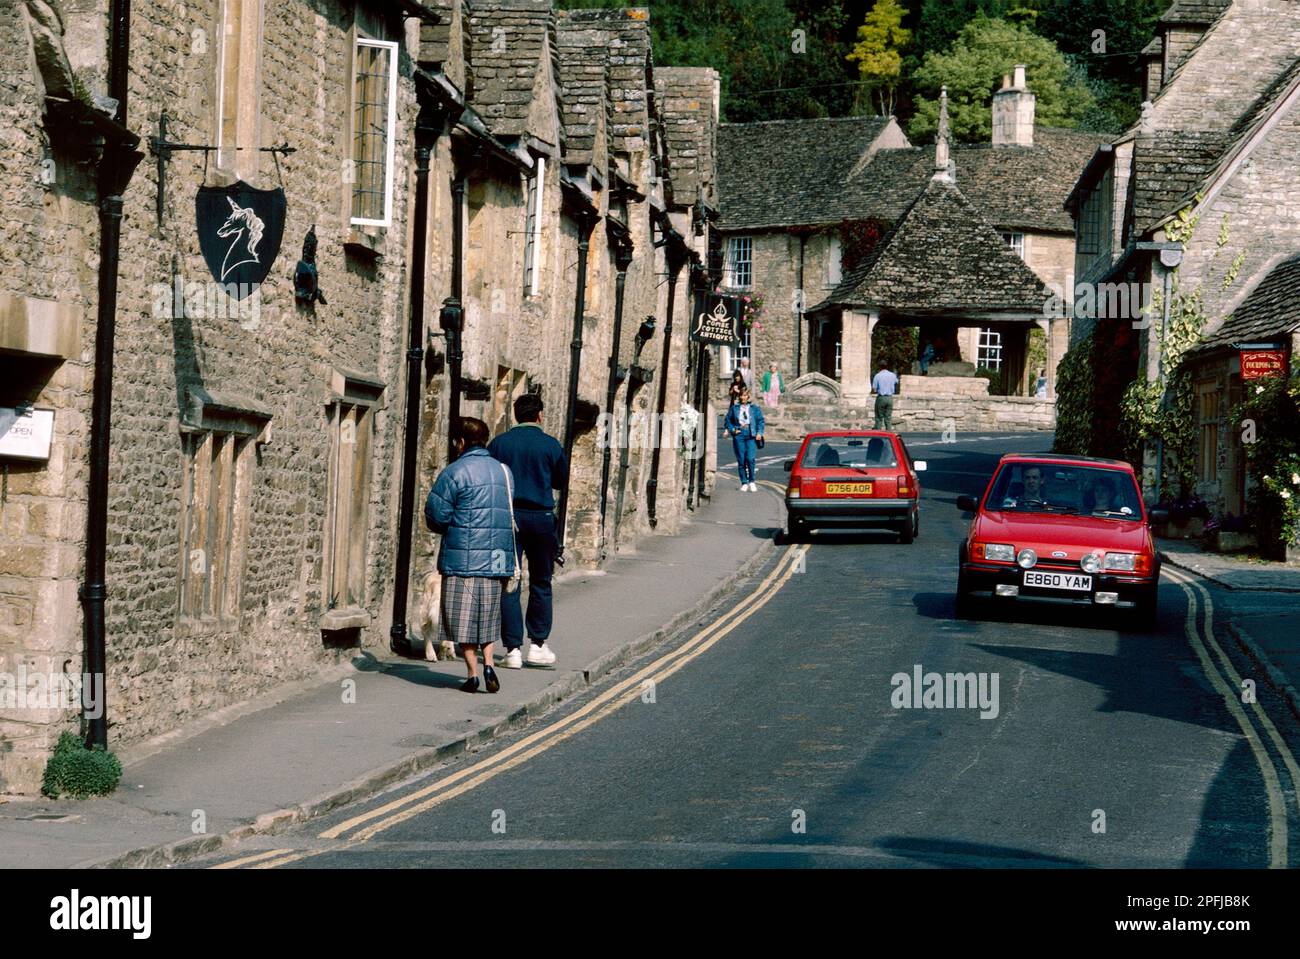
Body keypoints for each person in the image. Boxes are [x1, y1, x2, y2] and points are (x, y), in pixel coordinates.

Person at [425, 417, 515, 694]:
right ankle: (490, 664)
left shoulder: (455, 472)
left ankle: (473, 674)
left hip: (461, 559)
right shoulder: (504, 471)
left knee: (462, 619)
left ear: (460, 442)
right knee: (487, 617)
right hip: (497, 558)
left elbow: (436, 515)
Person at [487, 394, 568, 670]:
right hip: (542, 518)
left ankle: (512, 650)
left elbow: (491, 478)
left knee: (509, 580)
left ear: (515, 415)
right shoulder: (551, 445)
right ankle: (538, 645)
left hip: (508, 518)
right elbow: (560, 481)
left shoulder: (500, 443)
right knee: (541, 580)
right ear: (540, 415)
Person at [723, 386, 764, 492]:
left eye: (745, 395)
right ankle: (744, 482)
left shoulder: (755, 408)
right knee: (741, 460)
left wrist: (759, 432)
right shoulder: (734, 408)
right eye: (741, 395)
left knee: (750, 458)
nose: (742, 397)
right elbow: (727, 420)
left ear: (748, 396)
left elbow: (760, 421)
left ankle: (752, 481)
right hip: (739, 434)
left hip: (751, 434)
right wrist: (732, 430)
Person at [871, 360, 898, 431]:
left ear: (879, 367)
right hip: (889, 398)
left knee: (879, 417)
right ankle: (889, 432)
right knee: (888, 417)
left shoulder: (877, 376)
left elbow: (874, 389)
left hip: (881, 397)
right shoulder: (892, 375)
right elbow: (896, 382)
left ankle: (878, 432)